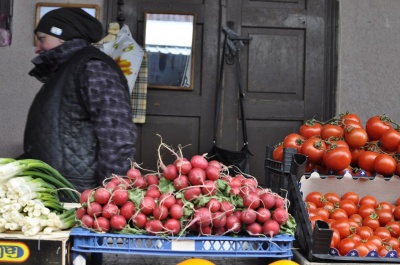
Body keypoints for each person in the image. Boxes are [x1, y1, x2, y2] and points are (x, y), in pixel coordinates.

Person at [21, 8, 137, 196]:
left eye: (42, 38)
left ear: (62, 36)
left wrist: (110, 196)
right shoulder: (65, 71)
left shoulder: (93, 67)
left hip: (80, 193)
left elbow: (117, 136)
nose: (37, 48)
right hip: (62, 188)